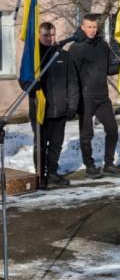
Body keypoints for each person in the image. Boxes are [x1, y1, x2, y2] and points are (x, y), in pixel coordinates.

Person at [69, 14, 120, 178]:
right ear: (82, 27)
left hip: (102, 96)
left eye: (95, 27)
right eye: (89, 27)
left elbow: (109, 68)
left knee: (112, 130)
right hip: (85, 97)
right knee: (87, 134)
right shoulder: (76, 48)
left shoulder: (102, 45)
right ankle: (90, 166)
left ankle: (109, 164)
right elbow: (71, 75)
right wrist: (73, 100)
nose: (92, 30)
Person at [21, 22, 79, 188]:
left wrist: (72, 105)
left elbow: (73, 82)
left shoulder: (63, 55)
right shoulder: (33, 57)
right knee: (40, 143)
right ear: (39, 35)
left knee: (56, 144)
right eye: (46, 35)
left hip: (60, 108)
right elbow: (23, 79)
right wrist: (28, 85)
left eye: (52, 35)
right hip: (40, 109)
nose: (50, 38)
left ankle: (52, 173)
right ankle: (40, 175)